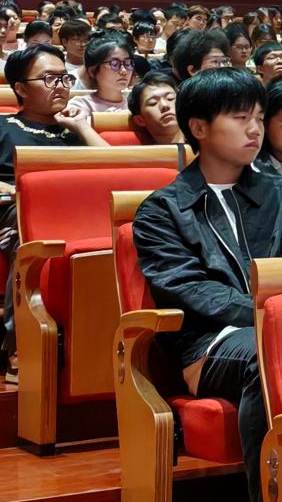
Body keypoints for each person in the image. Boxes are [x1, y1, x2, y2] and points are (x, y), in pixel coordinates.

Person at [133, 69, 282, 502]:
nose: (255, 129)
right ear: (199, 128)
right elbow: (190, 291)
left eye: (259, 118)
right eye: (240, 117)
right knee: (262, 355)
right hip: (210, 347)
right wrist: (273, 318)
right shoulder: (163, 211)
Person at [0, 44, 109, 381]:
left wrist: (83, 128)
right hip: (18, 211)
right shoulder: (3, 126)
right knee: (31, 232)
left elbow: (117, 167)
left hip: (81, 212)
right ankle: (22, 345)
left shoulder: (73, 131)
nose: (61, 86)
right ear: (21, 88)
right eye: (49, 79)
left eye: (65, 78)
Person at [68, 34, 132, 117]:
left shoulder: (137, 104)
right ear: (93, 71)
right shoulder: (79, 106)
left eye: (128, 63)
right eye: (114, 64)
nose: (124, 71)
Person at [128, 71, 183, 145]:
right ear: (140, 120)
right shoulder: (135, 152)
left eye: (170, 98)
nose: (164, 105)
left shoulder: (199, 144)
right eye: (153, 103)